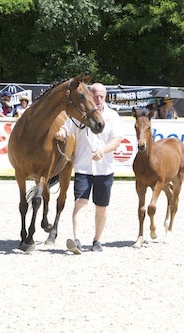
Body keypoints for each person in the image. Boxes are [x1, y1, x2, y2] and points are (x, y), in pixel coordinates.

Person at [55, 82, 122, 254]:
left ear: (105, 96)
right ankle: (77, 240)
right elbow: (65, 130)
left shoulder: (113, 116)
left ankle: (97, 240)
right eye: (95, 95)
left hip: (104, 169)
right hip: (83, 168)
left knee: (101, 206)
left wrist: (103, 150)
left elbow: (116, 140)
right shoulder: (78, 115)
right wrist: (61, 134)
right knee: (80, 202)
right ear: (90, 96)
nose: (98, 99)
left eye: (101, 95)